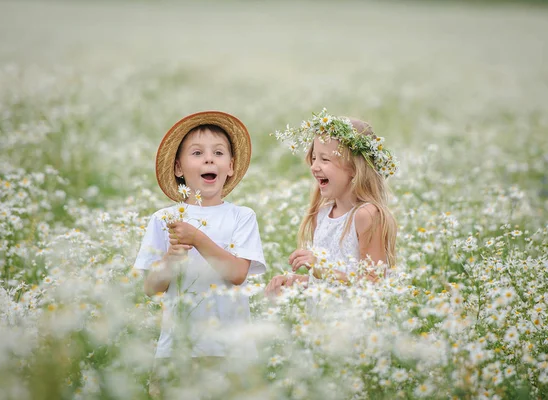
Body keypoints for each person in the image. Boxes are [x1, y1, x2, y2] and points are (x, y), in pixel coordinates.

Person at [134, 111, 266, 361]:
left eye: (218, 153)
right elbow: (151, 288)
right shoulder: (165, 219)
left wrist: (197, 238)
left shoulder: (242, 216)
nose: (209, 160)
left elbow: (238, 274)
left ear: (230, 166)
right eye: (197, 153)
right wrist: (171, 260)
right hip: (177, 349)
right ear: (178, 167)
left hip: (231, 349)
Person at [265, 109, 397, 295]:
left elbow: (374, 282)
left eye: (324, 159)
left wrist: (321, 269)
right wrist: (297, 282)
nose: (314, 166)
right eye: (313, 158)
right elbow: (327, 284)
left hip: (355, 321)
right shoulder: (322, 214)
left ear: (354, 168)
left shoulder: (366, 215)